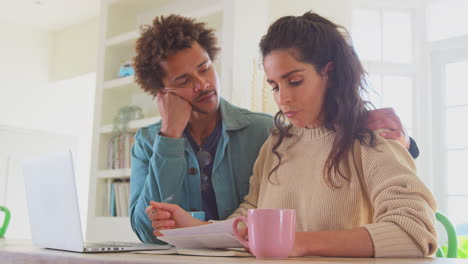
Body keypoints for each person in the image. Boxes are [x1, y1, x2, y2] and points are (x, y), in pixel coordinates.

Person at [147, 12, 437, 258]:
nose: (283, 99)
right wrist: (194, 228)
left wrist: (296, 243)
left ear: (330, 73)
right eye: (274, 86)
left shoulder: (371, 138)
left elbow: (415, 232)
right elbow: (250, 221)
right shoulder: (277, 143)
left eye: (295, 81)